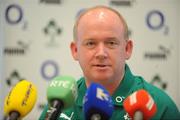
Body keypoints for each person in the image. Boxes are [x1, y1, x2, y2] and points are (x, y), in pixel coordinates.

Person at [39, 5, 180, 120]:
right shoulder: (58, 106)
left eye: (111, 43)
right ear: (75, 50)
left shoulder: (160, 105)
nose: (101, 53)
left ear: (127, 49)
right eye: (90, 43)